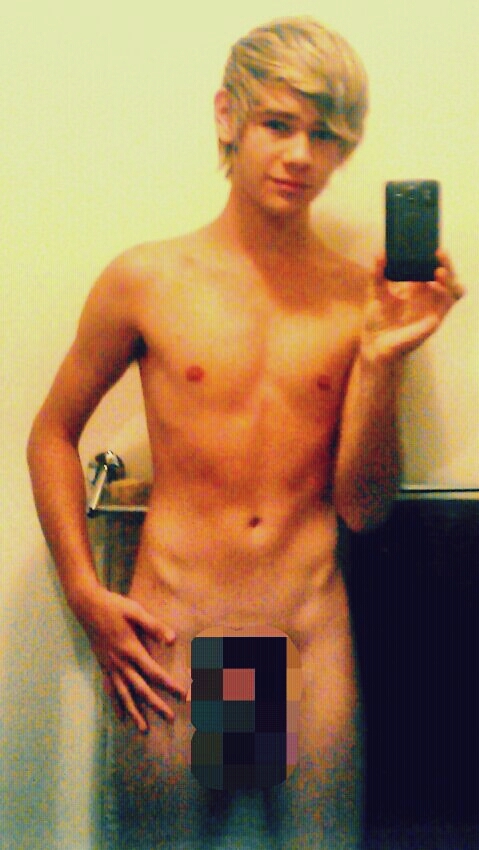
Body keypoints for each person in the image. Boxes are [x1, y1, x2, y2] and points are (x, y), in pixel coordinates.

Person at [27, 16, 464, 849]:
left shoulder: (358, 300)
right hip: (175, 640)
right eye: (278, 124)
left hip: (307, 641)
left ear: (344, 150)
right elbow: (51, 433)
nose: (300, 154)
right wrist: (84, 594)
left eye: (324, 135)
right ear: (228, 116)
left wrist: (381, 360)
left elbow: (364, 508)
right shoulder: (147, 280)